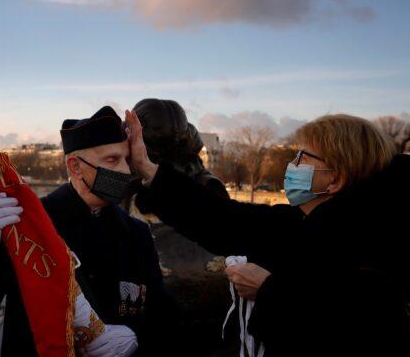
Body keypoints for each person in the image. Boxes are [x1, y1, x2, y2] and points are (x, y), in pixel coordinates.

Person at [125, 111, 410, 356]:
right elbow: (223, 220)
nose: (292, 164)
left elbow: (353, 327)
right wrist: (148, 169)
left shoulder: (376, 246)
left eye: (302, 156)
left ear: (334, 179)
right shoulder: (307, 223)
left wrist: (267, 291)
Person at [0, 106, 175, 356]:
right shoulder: (28, 223)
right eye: (112, 160)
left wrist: (134, 337)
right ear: (75, 167)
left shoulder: (136, 233)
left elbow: (158, 316)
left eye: (126, 159)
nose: (125, 170)